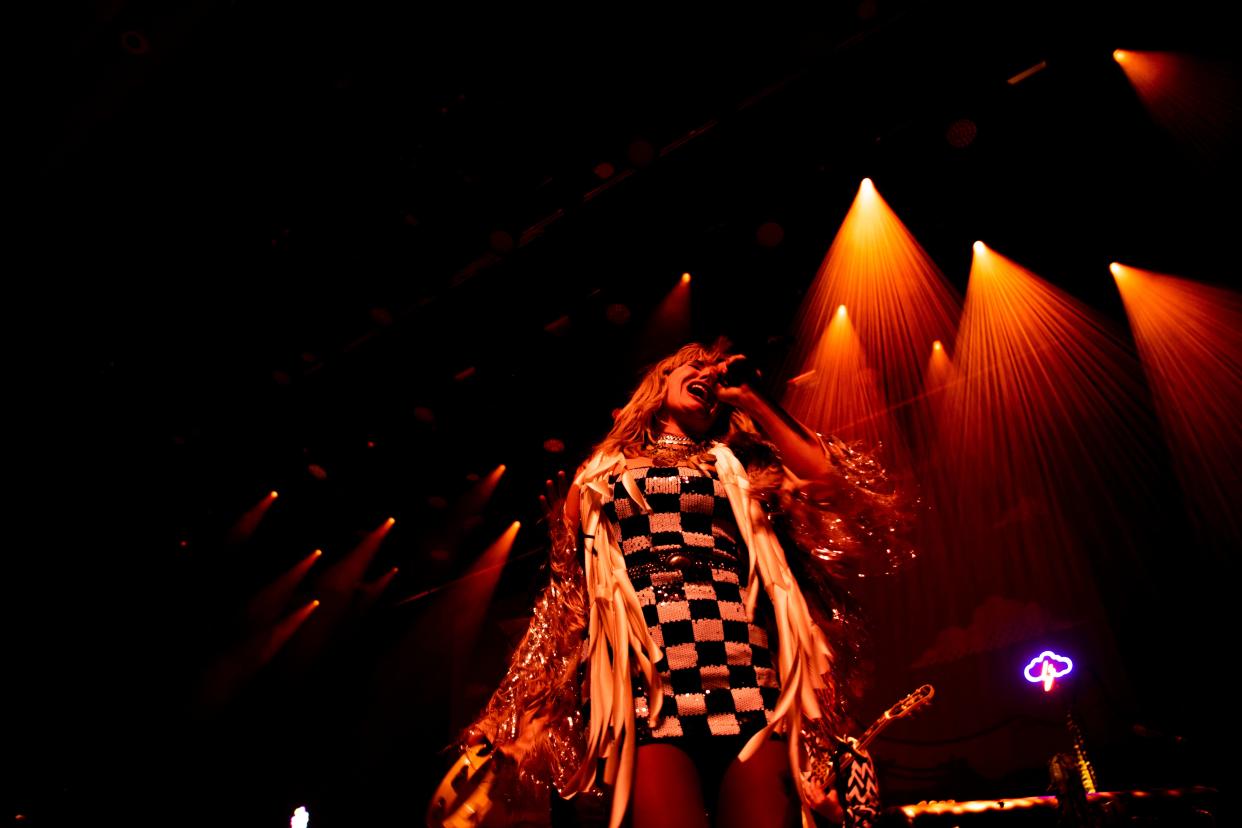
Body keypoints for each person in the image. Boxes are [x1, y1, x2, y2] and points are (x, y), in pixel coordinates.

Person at [428, 341, 908, 828]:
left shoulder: (739, 461)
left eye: (714, 372)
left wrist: (752, 400)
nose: (707, 373)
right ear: (660, 382)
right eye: (693, 365)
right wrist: (511, 710)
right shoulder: (600, 473)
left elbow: (826, 480)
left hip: (747, 676)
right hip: (649, 690)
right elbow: (565, 604)